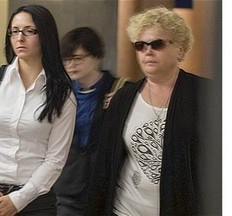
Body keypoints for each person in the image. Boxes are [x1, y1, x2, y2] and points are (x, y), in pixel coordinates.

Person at [86, 6, 217, 216]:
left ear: (180, 49)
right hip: (125, 209)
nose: (148, 51)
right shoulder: (123, 98)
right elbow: (105, 164)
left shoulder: (205, 94)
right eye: (140, 45)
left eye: (157, 44)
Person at [0, 4, 76, 216]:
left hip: (35, 202)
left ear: (45, 36)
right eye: (14, 31)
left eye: (29, 31)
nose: (19, 38)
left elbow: (55, 159)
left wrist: (18, 201)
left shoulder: (62, 93)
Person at [53, 27, 117, 216]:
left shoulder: (119, 90)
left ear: (96, 56)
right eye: (66, 59)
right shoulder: (60, 93)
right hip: (68, 187)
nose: (71, 64)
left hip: (105, 188)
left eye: (78, 58)